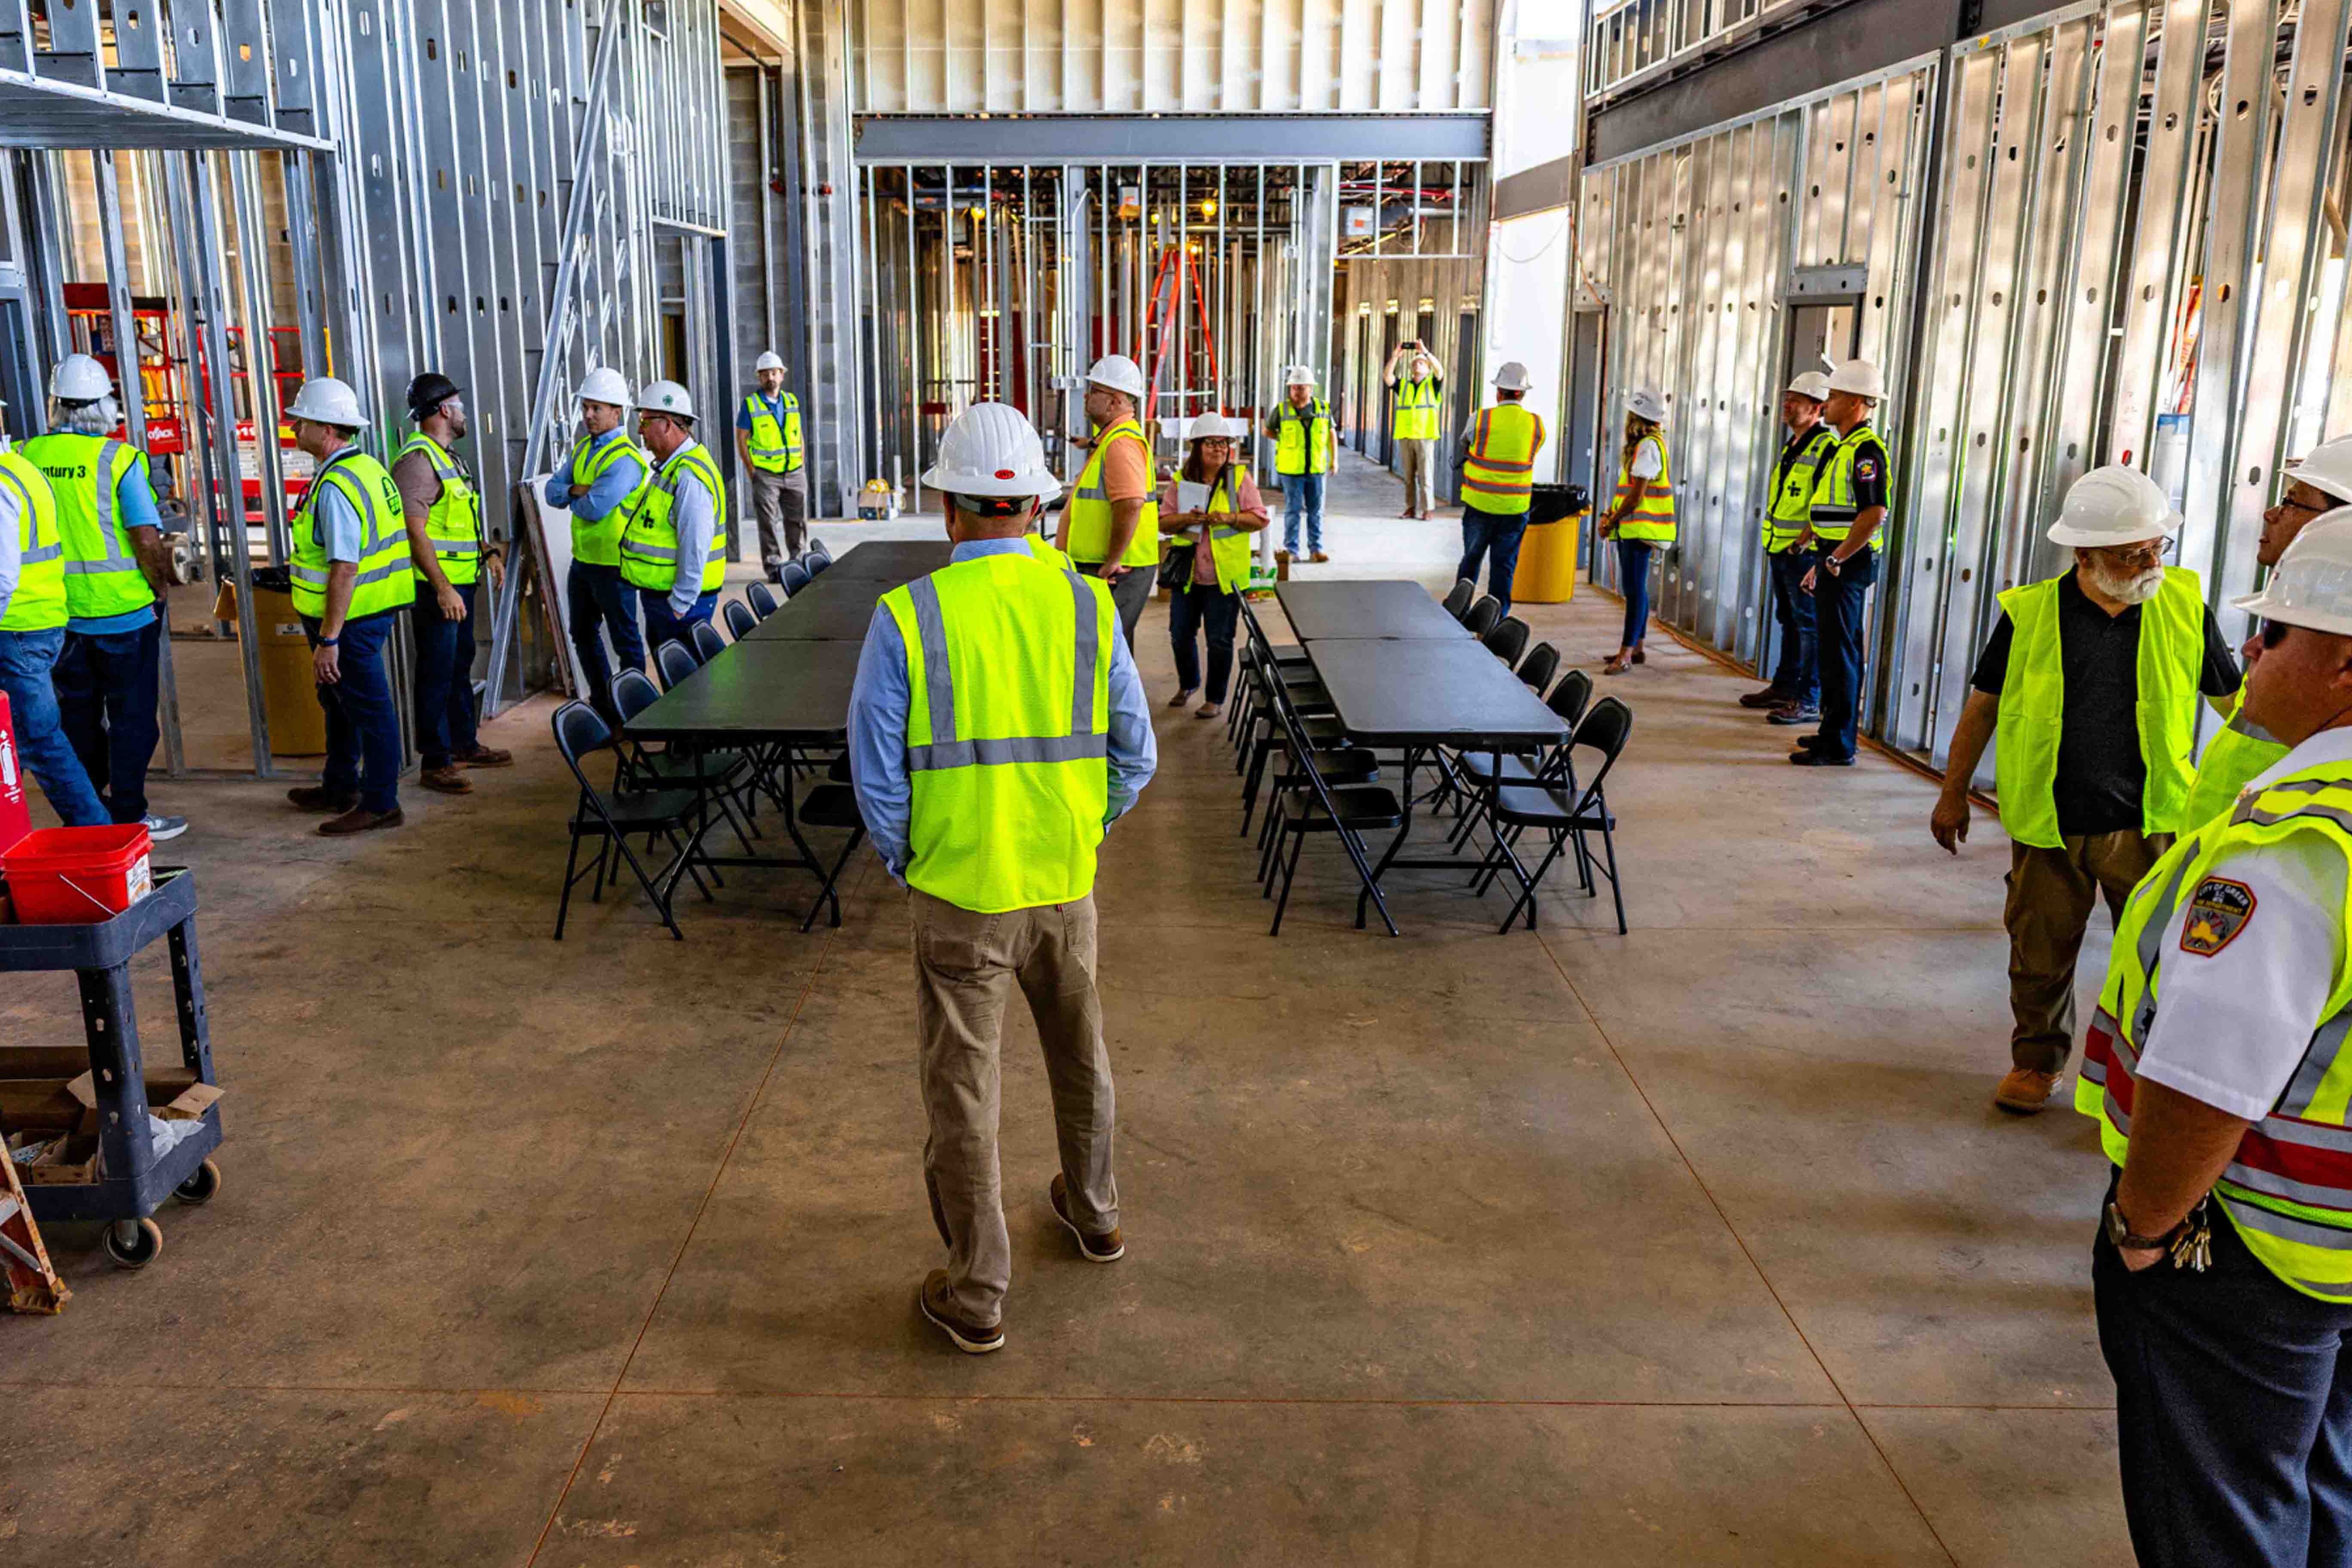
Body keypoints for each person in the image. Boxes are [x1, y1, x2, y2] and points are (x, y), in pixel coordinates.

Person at [846, 401, 1158, 1356]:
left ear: (949, 508)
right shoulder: (1088, 605)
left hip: (961, 895)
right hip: (1063, 884)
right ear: (1038, 507)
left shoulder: (908, 615)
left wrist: (914, 861)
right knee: (1081, 1054)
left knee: (964, 1092)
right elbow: (1136, 755)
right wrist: (1080, 827)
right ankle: (1096, 1213)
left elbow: (876, 774)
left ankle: (978, 1290)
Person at [2074, 508, 2352, 1568]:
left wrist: (2144, 1229)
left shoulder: (2296, 846)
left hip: (2257, 1254)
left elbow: (2205, 1080)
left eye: (2273, 633)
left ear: (2341, 665)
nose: (2252, 656)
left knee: (2220, 1513)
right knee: (2323, 1482)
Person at [1928, 466, 2243, 1114]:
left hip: (2151, 822)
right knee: (2039, 953)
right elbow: (1983, 707)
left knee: (2159, 959)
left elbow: (2237, 707)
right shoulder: (2032, 614)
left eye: (2157, 547)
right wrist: (1952, 792)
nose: (2151, 564)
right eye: (2133, 554)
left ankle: (2148, 1077)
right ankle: (2037, 1063)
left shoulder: (2185, 607)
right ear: (2085, 555)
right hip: (2050, 821)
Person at [23, 354, 184, 839]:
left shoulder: (27, 456)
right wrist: (160, 587)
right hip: (123, 614)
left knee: (78, 718)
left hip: (57, 615)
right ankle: (130, 814)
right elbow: (146, 538)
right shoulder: (119, 459)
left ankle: (90, 816)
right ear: (103, 406)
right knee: (134, 720)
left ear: (56, 404)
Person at [2182, 432, 2352, 824]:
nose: (2271, 513)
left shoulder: (2319, 638)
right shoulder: (2302, 615)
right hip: (2224, 833)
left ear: (2339, 523)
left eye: (2291, 502)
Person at [283, 377, 414, 835]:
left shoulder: (338, 486)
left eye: (302, 420)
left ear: (326, 429)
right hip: (366, 611)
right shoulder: (366, 468)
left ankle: (380, 803)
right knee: (339, 703)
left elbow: (345, 568)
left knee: (369, 710)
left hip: (350, 619)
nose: (294, 427)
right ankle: (340, 786)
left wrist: (330, 639)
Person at [395, 373, 511, 796]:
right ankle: (436, 761)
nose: (464, 413)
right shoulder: (418, 462)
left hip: (461, 583)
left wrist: (487, 552)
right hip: (437, 589)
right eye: (459, 406)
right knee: (437, 672)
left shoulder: (449, 459)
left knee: (460, 665)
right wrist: (442, 587)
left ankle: (464, 744)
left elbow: (455, 524)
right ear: (444, 410)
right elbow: (414, 531)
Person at [0, 399, 107, 829]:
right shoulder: (21, 468)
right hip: (36, 623)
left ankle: (94, 832)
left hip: (17, 629)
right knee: (28, 736)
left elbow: (3, 576)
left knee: (39, 740)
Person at [1790, 359, 1893, 765]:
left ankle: (1839, 745)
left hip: (1848, 562)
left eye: (1833, 397)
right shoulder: (1846, 446)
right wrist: (1823, 559)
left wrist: (1837, 558)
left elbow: (1874, 513)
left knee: (1842, 653)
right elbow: (1838, 513)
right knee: (1834, 651)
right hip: (1836, 559)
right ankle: (1831, 732)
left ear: (1854, 402)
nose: (1826, 403)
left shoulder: (1866, 450)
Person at [546, 368, 649, 725]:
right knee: (582, 634)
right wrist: (578, 490)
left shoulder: (625, 459)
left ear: (617, 412)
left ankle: (637, 714)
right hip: (584, 562)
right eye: (586, 408)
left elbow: (594, 509)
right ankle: (606, 706)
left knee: (625, 641)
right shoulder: (583, 450)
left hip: (614, 565)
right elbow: (551, 493)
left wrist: (573, 495)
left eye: (596, 409)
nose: (588, 415)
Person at [1158, 412, 1269, 718]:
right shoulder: (1182, 482)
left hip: (1224, 577)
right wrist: (1186, 519)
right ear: (1197, 447)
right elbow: (1164, 523)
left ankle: (1215, 699)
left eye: (1223, 443)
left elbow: (1260, 518)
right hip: (1188, 575)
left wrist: (1230, 518)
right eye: (1211, 443)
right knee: (1180, 634)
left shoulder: (1239, 479)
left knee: (1219, 641)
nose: (1219, 449)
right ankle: (1188, 684)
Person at [1743, 371, 1836, 726]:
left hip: (1802, 553)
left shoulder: (1825, 448)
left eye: (1796, 400)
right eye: (1788, 398)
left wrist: (1803, 544)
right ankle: (1785, 687)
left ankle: (1808, 699)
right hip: (1781, 549)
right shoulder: (1793, 446)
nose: (1787, 405)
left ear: (1817, 408)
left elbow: (1825, 505)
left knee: (1809, 626)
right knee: (1790, 622)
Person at [1057, 354, 1158, 652]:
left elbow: (1131, 503)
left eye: (1094, 391)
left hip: (1115, 569)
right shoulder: (1112, 439)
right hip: (1112, 567)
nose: (1086, 397)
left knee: (1105, 652)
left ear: (1114, 402)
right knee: (1113, 650)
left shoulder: (1121, 444)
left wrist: (1113, 559)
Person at [621, 380, 727, 657]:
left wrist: (680, 603)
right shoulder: (671, 469)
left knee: (687, 680)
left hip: (682, 606)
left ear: (667, 425)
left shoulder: (689, 477)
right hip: (666, 601)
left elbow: (695, 545)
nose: (640, 431)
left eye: (645, 422)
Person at [1457, 361, 1546, 615]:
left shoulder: (1480, 418)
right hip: (1515, 509)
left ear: (1499, 392)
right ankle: (1495, 621)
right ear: (1522, 394)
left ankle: (1458, 614)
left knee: (1471, 560)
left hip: (1480, 505)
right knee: (1504, 566)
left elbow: (1466, 443)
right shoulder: (1536, 425)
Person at [1596, 388, 1672, 675]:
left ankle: (1626, 654)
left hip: (1639, 530)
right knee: (1636, 589)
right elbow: (1626, 493)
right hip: (1632, 529)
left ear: (1637, 418)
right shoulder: (1645, 446)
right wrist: (1609, 515)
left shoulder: (1649, 447)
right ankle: (1637, 649)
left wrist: (1611, 521)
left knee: (1635, 591)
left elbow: (1636, 498)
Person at [733, 349, 806, 575]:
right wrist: (752, 471)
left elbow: (799, 435)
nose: (770, 378)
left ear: (782, 375)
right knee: (768, 523)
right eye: (765, 374)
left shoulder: (791, 401)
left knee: (797, 520)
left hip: (794, 472)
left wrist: (801, 464)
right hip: (766, 475)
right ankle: (774, 567)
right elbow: (741, 438)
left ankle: (799, 562)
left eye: (774, 373)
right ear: (760, 377)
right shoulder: (751, 405)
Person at [1263, 366, 1334, 562]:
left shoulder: (1323, 409)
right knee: (1293, 512)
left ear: (1310, 388)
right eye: (1293, 388)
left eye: (1301, 388)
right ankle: (1292, 551)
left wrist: (1334, 460)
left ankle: (1316, 550)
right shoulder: (1281, 410)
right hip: (1291, 471)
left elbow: (1331, 434)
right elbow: (1267, 431)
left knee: (1316, 512)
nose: (1296, 392)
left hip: (1316, 469)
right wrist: (1284, 440)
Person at [1384, 339, 1445, 520]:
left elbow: (1440, 371)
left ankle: (1428, 510)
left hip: (1425, 436)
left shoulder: (1433, 385)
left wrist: (1426, 353)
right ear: (1412, 368)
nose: (1419, 364)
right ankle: (1410, 508)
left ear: (1428, 369)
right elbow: (1388, 377)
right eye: (1416, 363)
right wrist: (1396, 356)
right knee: (1409, 477)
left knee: (1426, 475)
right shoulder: (1404, 386)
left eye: (1422, 363)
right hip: (1406, 436)